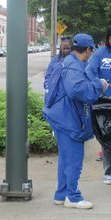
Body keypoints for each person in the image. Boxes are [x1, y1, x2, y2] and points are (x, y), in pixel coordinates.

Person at [43, 34, 109, 209]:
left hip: (61, 116)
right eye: (91, 50)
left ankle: (61, 194)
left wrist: (95, 82)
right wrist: (99, 86)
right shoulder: (73, 66)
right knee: (74, 159)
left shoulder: (70, 62)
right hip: (68, 119)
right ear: (87, 50)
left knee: (66, 158)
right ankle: (72, 197)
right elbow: (77, 90)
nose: (91, 53)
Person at [86, 26, 111, 184]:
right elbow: (89, 72)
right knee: (108, 137)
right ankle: (109, 172)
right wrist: (99, 84)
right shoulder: (100, 54)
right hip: (104, 102)